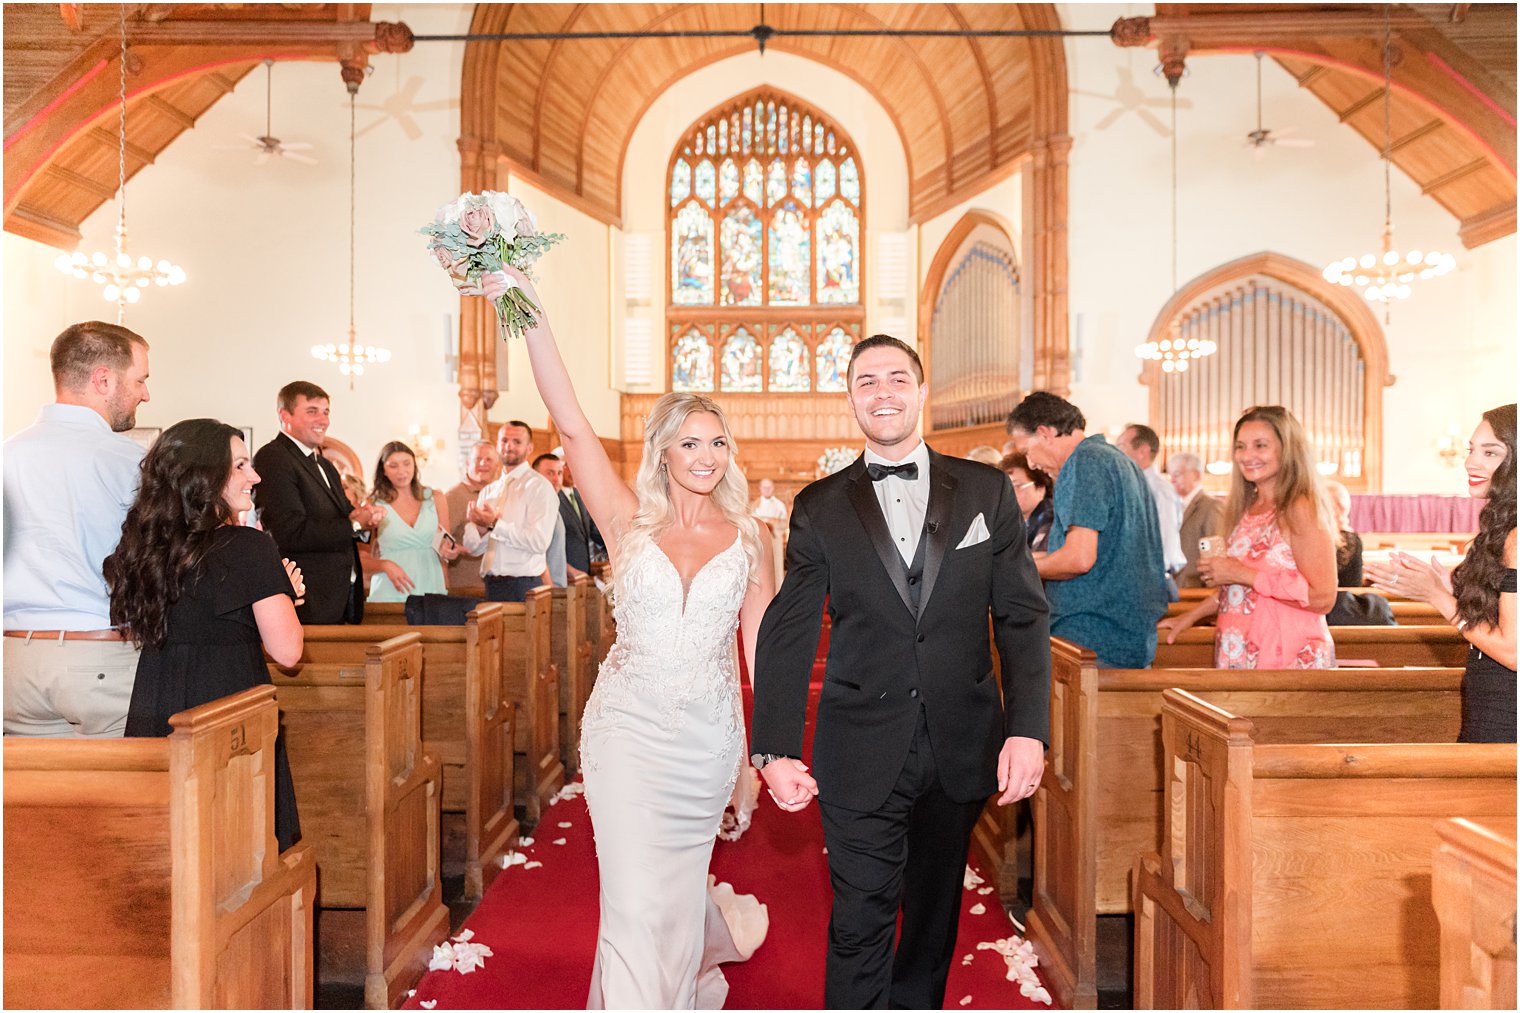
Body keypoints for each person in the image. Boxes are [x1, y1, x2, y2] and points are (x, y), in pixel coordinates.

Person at [482, 267, 775, 1008]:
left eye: (717, 442)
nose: (705, 456)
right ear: (663, 452)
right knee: (634, 904)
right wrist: (522, 298)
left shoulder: (752, 538)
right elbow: (572, 418)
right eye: (689, 442)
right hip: (626, 734)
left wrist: (751, 757)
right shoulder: (624, 519)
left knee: (670, 904)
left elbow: (757, 656)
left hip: (704, 740)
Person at [752, 334, 1050, 1009]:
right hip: (858, 742)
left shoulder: (986, 490)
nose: (882, 392)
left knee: (933, 917)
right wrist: (773, 747)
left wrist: (1027, 729)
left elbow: (1022, 618)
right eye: (866, 381)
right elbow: (790, 627)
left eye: (896, 378)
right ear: (851, 398)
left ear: (922, 391)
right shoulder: (821, 504)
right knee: (860, 919)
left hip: (960, 742)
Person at [104, 419, 305, 850]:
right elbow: (287, 651)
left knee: (164, 838)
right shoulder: (249, 547)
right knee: (237, 842)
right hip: (227, 702)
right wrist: (285, 594)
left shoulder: (144, 544)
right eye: (240, 466)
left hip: (156, 697)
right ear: (205, 475)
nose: (255, 476)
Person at [4, 321, 151, 737]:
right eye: (140, 380)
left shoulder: (7, 454)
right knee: (119, 796)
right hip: (96, 655)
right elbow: (158, 557)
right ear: (103, 379)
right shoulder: (126, 459)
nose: (145, 393)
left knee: (33, 799)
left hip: (13, 658)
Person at [1368, 404, 1516, 742]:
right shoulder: (1503, 526)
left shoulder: (1516, 537)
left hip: (1507, 712)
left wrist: (1437, 596)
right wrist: (1449, 586)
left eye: (1490, 452)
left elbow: (1512, 652)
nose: (1471, 462)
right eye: (1472, 450)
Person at [1158, 406, 1338, 668]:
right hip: (1240, 644)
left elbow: (1323, 597)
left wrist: (1241, 572)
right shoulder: (1248, 507)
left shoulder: (1299, 507)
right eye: (1241, 446)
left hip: (1284, 653)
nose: (1247, 455)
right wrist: (1190, 616)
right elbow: (1239, 591)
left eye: (1260, 445)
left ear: (1287, 450)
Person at [1006, 392, 1168, 668]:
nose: (1031, 463)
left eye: (1026, 451)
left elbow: (1078, 558)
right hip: (1124, 633)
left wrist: (1010, 568)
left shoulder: (1083, 462)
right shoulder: (1118, 460)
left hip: (1091, 635)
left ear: (1044, 433)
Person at [253, 382, 382, 624]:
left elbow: (346, 516)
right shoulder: (273, 458)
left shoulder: (325, 465)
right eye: (312, 411)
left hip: (340, 596)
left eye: (326, 412)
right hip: (308, 598)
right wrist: (354, 526)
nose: (323, 420)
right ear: (285, 415)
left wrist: (366, 518)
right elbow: (288, 531)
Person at [460, 420, 559, 603]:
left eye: (517, 442)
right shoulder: (489, 491)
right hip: (492, 583)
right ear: (497, 444)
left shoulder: (539, 487)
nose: (509, 446)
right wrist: (482, 527)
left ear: (529, 448)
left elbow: (539, 542)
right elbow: (472, 548)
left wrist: (495, 524)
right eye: (504, 440)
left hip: (524, 586)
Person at [365, 441, 460, 603]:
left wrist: (449, 552)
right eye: (393, 466)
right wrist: (385, 565)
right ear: (384, 471)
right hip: (390, 587)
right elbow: (360, 558)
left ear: (415, 466)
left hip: (431, 584)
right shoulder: (373, 504)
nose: (401, 471)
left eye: (407, 464)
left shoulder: (436, 498)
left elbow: (444, 546)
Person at [1117, 423, 1187, 599]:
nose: (1116, 454)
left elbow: (1164, 537)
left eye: (1121, 447)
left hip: (1151, 582)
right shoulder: (1131, 485)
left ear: (1143, 451)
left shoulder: (1159, 490)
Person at [445, 441, 501, 594]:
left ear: (497, 466)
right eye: (478, 459)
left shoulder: (499, 495)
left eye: (489, 460)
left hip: (495, 587)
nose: (483, 463)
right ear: (468, 462)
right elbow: (439, 539)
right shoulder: (454, 496)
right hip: (464, 589)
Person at [1166, 451, 1226, 589]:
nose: (1172, 480)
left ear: (1196, 475)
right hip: (1173, 585)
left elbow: (1215, 555)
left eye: (1177, 474)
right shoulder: (1174, 506)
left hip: (1195, 587)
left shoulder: (1211, 506)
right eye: (1171, 475)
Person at [999, 450, 1054, 551]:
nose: (1008, 494)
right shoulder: (1012, 522)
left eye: (1016, 486)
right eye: (1005, 488)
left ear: (1040, 489)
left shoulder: (1050, 519)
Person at [559, 456, 606, 574]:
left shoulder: (579, 495)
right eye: (568, 465)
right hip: (564, 574)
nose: (574, 469)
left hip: (583, 571)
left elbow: (593, 531)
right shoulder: (553, 497)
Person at [533, 452, 571, 587]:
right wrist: (550, 589)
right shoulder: (536, 506)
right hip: (545, 588)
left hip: (557, 585)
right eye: (550, 473)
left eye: (559, 473)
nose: (556, 479)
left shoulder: (552, 504)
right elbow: (536, 552)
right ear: (535, 476)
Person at [751, 477, 788, 587]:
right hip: (760, 541)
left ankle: (777, 590)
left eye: (769, 487)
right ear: (760, 488)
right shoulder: (754, 505)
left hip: (775, 540)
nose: (767, 489)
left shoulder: (779, 505)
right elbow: (751, 523)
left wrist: (772, 524)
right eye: (764, 487)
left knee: (775, 565)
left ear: (773, 488)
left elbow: (784, 524)